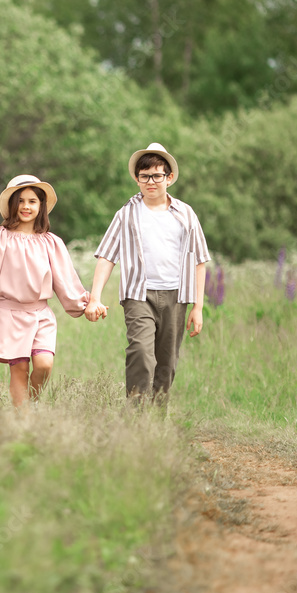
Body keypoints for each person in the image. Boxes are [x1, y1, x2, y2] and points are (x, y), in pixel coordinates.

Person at [85, 142, 210, 401]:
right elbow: (107, 255)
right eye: (144, 176)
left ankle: (157, 422)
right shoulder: (126, 215)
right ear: (137, 179)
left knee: (167, 363)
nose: (150, 181)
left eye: (156, 175)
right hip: (138, 295)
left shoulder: (185, 214)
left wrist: (198, 306)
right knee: (141, 352)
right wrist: (94, 297)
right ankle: (137, 416)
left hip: (176, 296)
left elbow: (200, 260)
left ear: (169, 177)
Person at [0, 175, 90, 407]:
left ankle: (30, 405)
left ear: (41, 206)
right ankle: (23, 418)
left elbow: (65, 279)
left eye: (32, 201)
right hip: (9, 314)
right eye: (21, 201)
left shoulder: (51, 242)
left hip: (40, 315)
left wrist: (86, 305)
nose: (26, 206)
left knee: (44, 364)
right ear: (12, 205)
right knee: (20, 369)